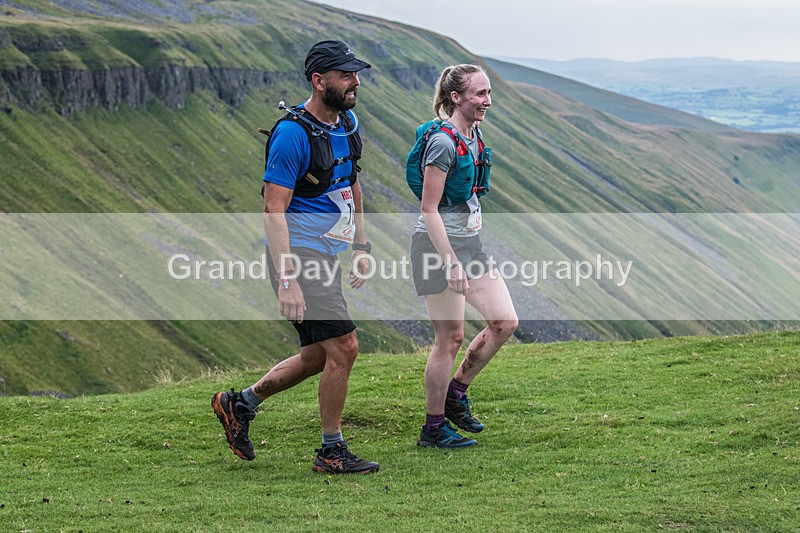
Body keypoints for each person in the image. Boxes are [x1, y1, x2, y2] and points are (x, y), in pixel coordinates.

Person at [212, 40, 379, 474]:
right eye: (346, 75)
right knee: (345, 347)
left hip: (327, 252)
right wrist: (286, 279)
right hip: (299, 257)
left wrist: (361, 245)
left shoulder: (347, 122)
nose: (355, 82)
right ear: (319, 80)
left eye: (356, 74)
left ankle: (240, 404)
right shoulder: (291, 135)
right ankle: (331, 450)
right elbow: (273, 208)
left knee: (318, 356)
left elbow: (352, 183)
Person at [408, 64, 519, 448]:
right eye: (479, 94)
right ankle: (433, 428)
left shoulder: (474, 133)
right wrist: (450, 262)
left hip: (471, 245)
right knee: (450, 339)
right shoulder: (442, 143)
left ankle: (456, 394)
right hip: (437, 248)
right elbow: (428, 208)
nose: (487, 101)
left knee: (504, 321)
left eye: (488, 93)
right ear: (456, 97)